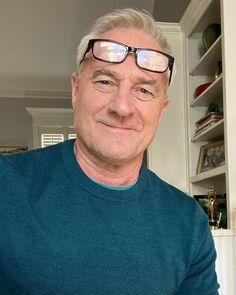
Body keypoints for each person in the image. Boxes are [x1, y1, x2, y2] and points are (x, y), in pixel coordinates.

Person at [0, 8, 219, 295]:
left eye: (144, 90)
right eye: (105, 82)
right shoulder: (6, 186)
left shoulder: (188, 222)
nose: (122, 107)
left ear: (161, 109)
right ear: (76, 91)